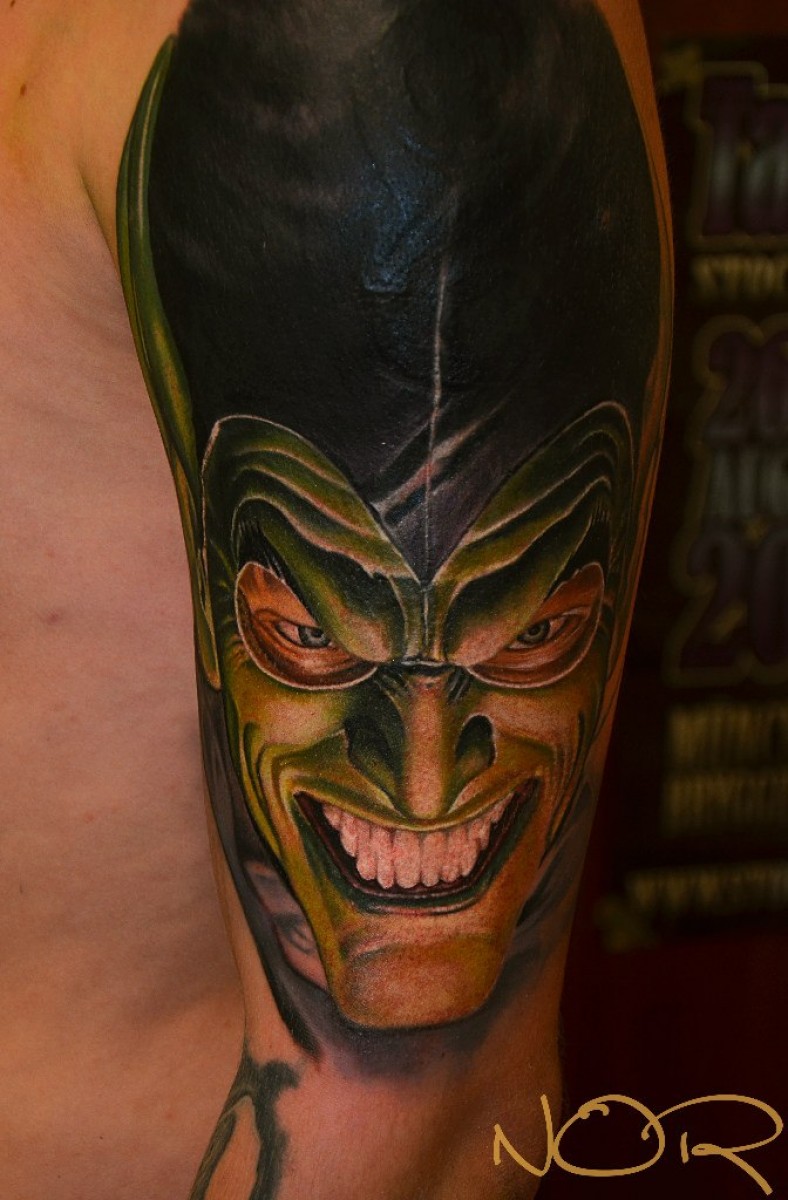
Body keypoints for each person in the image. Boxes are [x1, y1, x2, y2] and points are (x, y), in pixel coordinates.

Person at [0, 1, 671, 1197]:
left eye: (528, 636)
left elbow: (420, 1122)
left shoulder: (391, 36)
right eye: (310, 635)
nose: (422, 777)